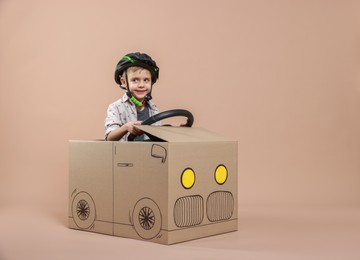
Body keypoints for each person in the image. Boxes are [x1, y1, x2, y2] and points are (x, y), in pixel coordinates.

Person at [104, 52, 161, 141]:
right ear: (123, 82)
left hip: (148, 154)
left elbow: (159, 137)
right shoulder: (115, 107)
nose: (141, 85)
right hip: (124, 153)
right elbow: (110, 137)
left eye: (146, 80)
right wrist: (126, 127)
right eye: (135, 80)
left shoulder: (153, 108)